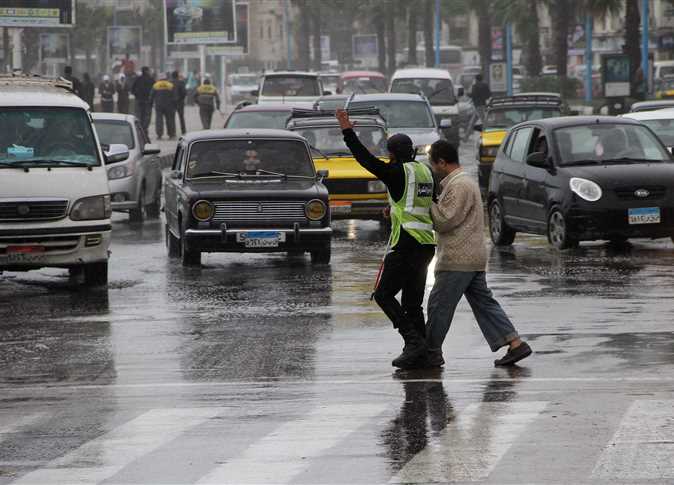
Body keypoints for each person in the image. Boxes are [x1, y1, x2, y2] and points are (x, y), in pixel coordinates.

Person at [336, 109, 436, 370]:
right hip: (426, 244)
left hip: (405, 242)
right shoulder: (424, 171)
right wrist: (391, 208)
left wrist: (347, 130)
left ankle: (413, 342)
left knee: (382, 295)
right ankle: (424, 354)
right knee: (413, 304)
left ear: (392, 154)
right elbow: (419, 201)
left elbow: (365, 159)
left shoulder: (395, 173)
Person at [425, 139, 532, 367]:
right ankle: (515, 344)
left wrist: (426, 205)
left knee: (438, 305)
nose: (433, 170)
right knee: (484, 304)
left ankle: (430, 352)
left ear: (442, 163)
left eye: (433, 164)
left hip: (458, 258)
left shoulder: (459, 185)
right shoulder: (461, 182)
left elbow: (445, 220)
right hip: (472, 257)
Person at [464, 73, 491, 141]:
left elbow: (473, 95)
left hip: (478, 106)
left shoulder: (475, 86)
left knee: (483, 122)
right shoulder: (485, 85)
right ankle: (466, 138)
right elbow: (489, 95)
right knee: (472, 122)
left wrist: (467, 94)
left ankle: (487, 136)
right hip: (483, 105)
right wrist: (483, 97)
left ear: (476, 79)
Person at [150, 72, 177, 140]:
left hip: (159, 105)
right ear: (166, 78)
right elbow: (174, 96)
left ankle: (159, 135)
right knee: (170, 120)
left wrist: (150, 104)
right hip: (169, 105)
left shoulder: (156, 85)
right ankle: (171, 134)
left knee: (159, 120)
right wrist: (175, 104)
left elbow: (151, 96)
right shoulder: (170, 85)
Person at [132, 66, 155, 137]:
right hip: (148, 101)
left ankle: (140, 130)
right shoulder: (151, 80)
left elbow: (132, 89)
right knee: (147, 117)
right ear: (147, 71)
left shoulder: (138, 79)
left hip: (139, 101)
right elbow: (154, 90)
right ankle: (144, 130)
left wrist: (137, 95)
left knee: (139, 116)